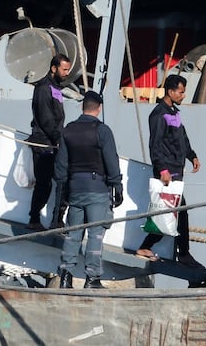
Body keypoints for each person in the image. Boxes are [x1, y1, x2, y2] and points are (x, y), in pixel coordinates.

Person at [56, 91, 123, 289]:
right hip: (97, 190)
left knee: (73, 234)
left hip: (75, 188)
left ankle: (66, 276)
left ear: (82, 107)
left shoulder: (68, 130)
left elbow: (61, 166)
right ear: (99, 108)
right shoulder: (102, 131)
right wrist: (117, 186)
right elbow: (112, 161)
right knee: (95, 234)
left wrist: (63, 192)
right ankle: (92, 279)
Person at [136, 74, 203, 268]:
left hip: (176, 169)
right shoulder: (159, 114)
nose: (183, 95)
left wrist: (192, 156)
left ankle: (151, 247)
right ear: (171, 91)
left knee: (171, 212)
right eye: (181, 91)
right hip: (167, 172)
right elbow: (155, 145)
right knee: (178, 211)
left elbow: (182, 136)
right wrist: (162, 169)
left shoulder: (174, 112)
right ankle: (183, 253)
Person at [27, 53, 71, 230]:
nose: (67, 73)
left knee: (63, 180)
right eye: (64, 69)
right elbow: (46, 119)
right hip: (44, 143)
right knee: (44, 182)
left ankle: (57, 219)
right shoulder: (43, 88)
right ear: (54, 69)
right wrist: (59, 139)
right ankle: (34, 219)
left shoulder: (56, 88)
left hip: (54, 142)